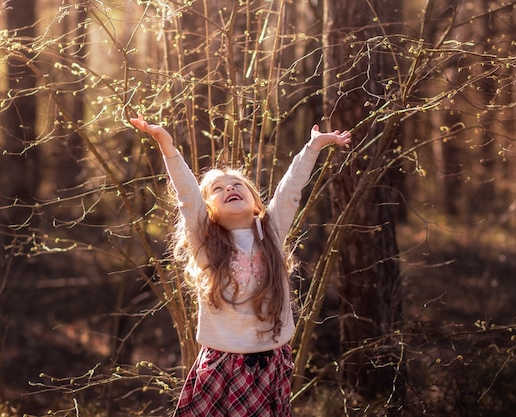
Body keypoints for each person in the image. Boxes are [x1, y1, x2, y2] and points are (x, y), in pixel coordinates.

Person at [130, 115, 352, 417]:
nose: (229, 189)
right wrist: (167, 146)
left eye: (237, 185)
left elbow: (290, 192)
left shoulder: (269, 232)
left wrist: (312, 147)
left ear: (256, 203)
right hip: (222, 362)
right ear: (210, 211)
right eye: (218, 189)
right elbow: (187, 198)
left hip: (270, 362)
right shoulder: (206, 242)